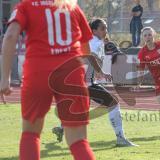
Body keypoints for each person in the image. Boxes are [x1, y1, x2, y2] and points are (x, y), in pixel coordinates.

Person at [0, 0, 111, 159]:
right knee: (79, 142)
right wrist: (79, 69)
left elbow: (10, 35)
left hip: (38, 72)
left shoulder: (27, 5)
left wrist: (5, 77)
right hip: (70, 73)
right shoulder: (71, 6)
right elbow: (85, 44)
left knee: (30, 135)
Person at [52, 19, 137, 147]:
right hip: (86, 83)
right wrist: (101, 72)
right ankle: (120, 138)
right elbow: (90, 56)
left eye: (106, 28)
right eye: (102, 28)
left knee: (80, 110)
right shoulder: (95, 43)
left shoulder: (95, 41)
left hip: (79, 81)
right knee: (113, 103)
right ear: (94, 30)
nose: (105, 31)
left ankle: (61, 128)